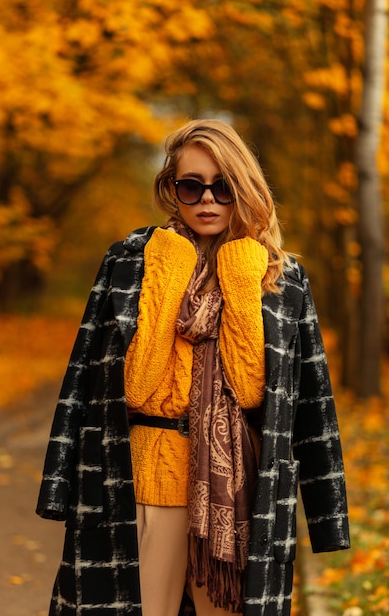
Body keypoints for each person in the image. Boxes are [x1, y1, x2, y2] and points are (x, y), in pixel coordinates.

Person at [36, 119, 350, 616]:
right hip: (146, 482)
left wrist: (241, 283)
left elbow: (274, 396)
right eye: (191, 185)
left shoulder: (279, 276)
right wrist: (170, 268)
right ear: (171, 190)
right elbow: (125, 386)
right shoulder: (132, 260)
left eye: (223, 187)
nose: (208, 199)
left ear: (243, 188)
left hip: (241, 496)